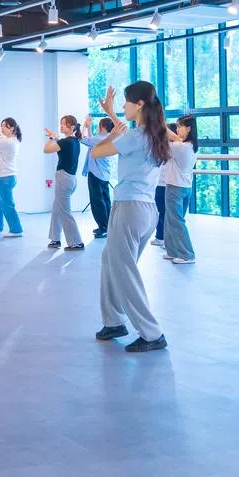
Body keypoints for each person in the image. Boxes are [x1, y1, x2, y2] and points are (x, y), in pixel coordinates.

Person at [91, 82, 171, 352]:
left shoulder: (137, 137)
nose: (122, 106)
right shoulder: (152, 134)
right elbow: (128, 134)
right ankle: (114, 321)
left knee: (124, 270)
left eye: (125, 102)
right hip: (142, 209)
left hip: (130, 208)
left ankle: (152, 333)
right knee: (111, 262)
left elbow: (97, 151)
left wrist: (111, 131)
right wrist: (113, 115)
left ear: (139, 105)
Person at [44, 115, 84, 251]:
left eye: (64, 124)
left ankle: (76, 242)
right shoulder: (74, 141)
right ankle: (55, 239)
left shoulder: (66, 142)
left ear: (72, 127)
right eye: (61, 124)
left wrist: (51, 138)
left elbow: (46, 149)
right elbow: (61, 145)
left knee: (65, 211)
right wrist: (55, 137)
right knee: (57, 208)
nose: (61, 126)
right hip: (70, 179)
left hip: (63, 178)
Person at [163, 116, 198, 265]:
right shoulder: (190, 146)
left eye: (180, 126)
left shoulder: (180, 147)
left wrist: (159, 123)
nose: (177, 129)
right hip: (185, 188)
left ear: (189, 128)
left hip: (175, 187)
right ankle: (172, 251)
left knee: (176, 222)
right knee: (171, 221)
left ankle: (186, 254)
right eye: (176, 126)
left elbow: (165, 141)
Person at [82, 116, 114, 238]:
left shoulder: (99, 138)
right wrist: (89, 127)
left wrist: (85, 126)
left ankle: (103, 227)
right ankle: (106, 226)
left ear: (102, 126)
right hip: (105, 174)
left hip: (95, 174)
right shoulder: (107, 138)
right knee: (105, 201)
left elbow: (84, 140)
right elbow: (91, 141)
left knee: (97, 202)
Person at [151, 123, 177, 248]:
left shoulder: (169, 147)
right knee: (165, 213)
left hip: (162, 184)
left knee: (161, 212)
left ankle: (162, 237)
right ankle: (163, 237)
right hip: (166, 184)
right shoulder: (173, 147)